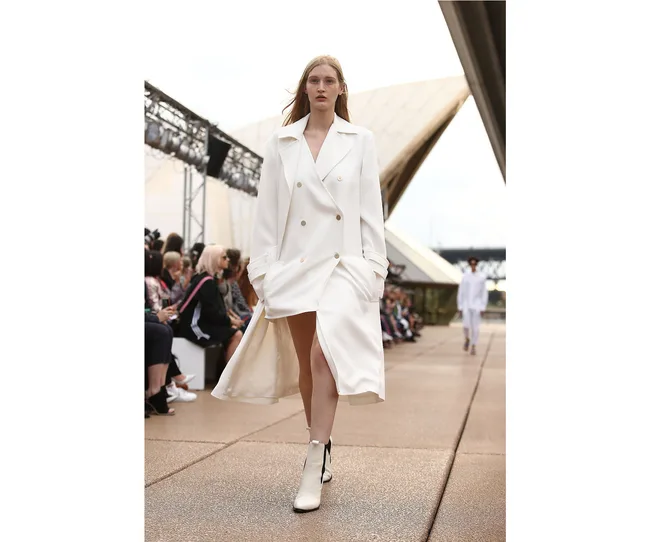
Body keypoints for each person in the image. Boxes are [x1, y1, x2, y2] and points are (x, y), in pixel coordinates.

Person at [212, 55, 388, 513]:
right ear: (305, 88)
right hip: (295, 266)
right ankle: (323, 443)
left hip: (344, 265)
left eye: (330, 80)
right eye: (314, 80)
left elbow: (370, 209)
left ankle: (311, 463)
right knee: (308, 367)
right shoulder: (282, 142)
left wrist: (375, 268)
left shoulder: (361, 140)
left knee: (323, 356)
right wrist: (263, 272)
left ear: (341, 88)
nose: (322, 87)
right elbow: (267, 211)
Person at [177, 245, 244, 362]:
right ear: (215, 259)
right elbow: (212, 312)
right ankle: (229, 372)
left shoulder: (205, 278)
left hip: (197, 322)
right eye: (224, 257)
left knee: (232, 331)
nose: (227, 260)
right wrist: (230, 321)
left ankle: (225, 370)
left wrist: (229, 321)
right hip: (193, 326)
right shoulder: (206, 282)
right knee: (236, 334)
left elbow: (216, 309)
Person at [457, 256, 488, 355]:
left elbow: (484, 293)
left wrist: (483, 307)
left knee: (475, 328)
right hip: (466, 304)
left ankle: (474, 346)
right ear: (469, 264)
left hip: (477, 305)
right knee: (465, 325)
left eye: (474, 264)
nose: (473, 265)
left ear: (476, 264)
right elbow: (461, 292)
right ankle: (467, 339)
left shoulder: (481, 277)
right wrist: (460, 306)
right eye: (471, 264)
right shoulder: (465, 276)